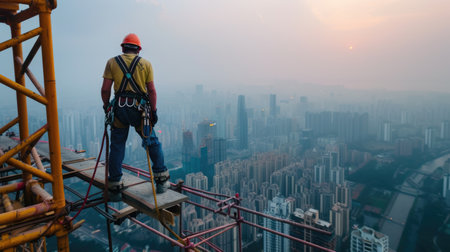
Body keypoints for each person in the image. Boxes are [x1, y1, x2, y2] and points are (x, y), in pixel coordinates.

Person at [101, 33, 170, 193]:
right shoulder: (146, 64)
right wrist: (153, 112)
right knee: (152, 142)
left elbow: (105, 90)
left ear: (123, 47)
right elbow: (151, 91)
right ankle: (161, 181)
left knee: (117, 145)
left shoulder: (112, 62)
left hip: (119, 108)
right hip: (140, 111)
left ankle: (115, 185)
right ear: (138, 49)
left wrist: (107, 107)